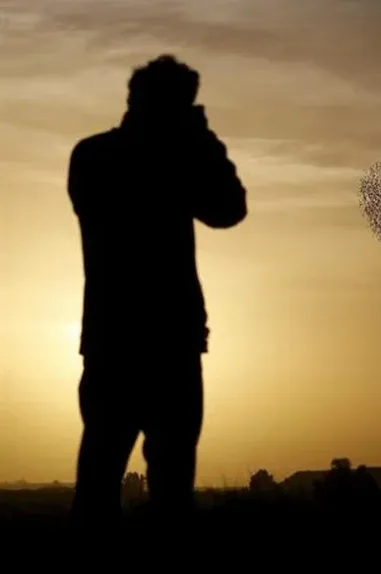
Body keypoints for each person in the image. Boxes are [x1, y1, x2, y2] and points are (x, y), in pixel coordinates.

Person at [66, 54, 247, 526]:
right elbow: (227, 209)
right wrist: (199, 142)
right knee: (124, 482)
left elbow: (228, 210)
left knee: (129, 482)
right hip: (146, 342)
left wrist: (196, 143)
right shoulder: (111, 156)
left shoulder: (97, 154)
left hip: (140, 341)